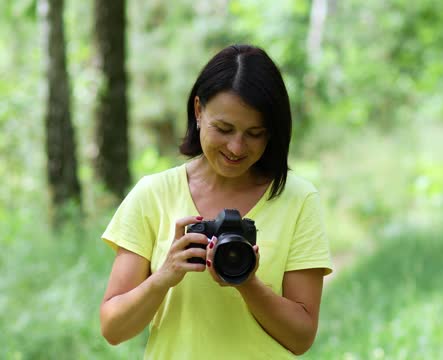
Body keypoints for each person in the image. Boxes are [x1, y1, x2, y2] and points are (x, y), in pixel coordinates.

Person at [99, 44, 333, 359]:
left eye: (254, 133)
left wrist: (246, 280)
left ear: (272, 133)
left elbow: (301, 338)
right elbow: (113, 329)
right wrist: (164, 276)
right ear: (198, 111)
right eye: (224, 129)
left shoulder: (298, 199)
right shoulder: (153, 194)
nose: (236, 147)